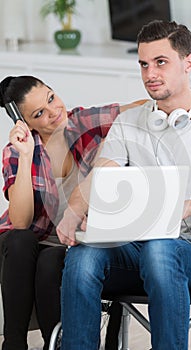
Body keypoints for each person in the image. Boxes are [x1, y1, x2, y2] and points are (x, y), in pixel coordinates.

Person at [57, 20, 191, 350]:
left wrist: (189, 207)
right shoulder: (128, 123)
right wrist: (72, 212)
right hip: (133, 245)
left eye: (161, 62)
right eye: (144, 64)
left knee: (159, 249)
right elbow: (99, 177)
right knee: (82, 257)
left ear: (189, 63)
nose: (150, 73)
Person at [0, 75, 146, 350]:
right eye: (39, 114)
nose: (54, 112)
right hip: (19, 248)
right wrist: (27, 154)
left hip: (65, 244)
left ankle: (54, 345)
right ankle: (14, 344)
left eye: (51, 98)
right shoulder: (16, 151)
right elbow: (20, 222)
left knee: (51, 258)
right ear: (24, 122)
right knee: (22, 240)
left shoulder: (81, 122)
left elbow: (138, 108)